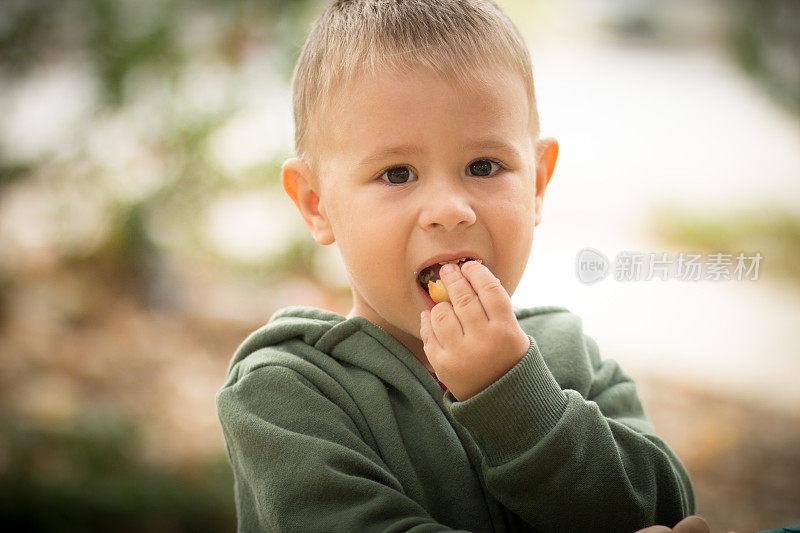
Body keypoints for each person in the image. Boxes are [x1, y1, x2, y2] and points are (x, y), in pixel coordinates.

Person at [216, 1, 704, 531]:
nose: (450, 209)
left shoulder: (568, 359)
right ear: (316, 203)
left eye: (483, 166)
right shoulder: (286, 397)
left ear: (537, 184)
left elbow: (664, 507)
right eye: (398, 173)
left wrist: (519, 397)